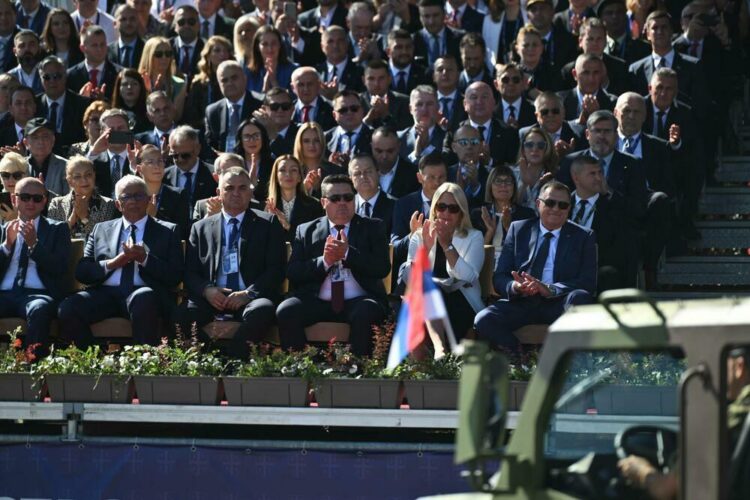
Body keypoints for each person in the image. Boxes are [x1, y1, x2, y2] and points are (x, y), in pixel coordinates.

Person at [57, 175, 184, 348]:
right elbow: (83, 272)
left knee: (143, 298)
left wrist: (144, 258)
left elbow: (175, 275)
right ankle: (91, 358)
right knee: (68, 307)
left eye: (138, 195)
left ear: (148, 199)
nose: (133, 201)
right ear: (118, 204)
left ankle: (143, 359)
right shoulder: (101, 229)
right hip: (105, 294)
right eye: (126, 197)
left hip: (144, 293)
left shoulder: (168, 231)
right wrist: (113, 263)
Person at [276, 174, 391, 356]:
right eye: (335, 198)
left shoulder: (372, 227)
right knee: (287, 310)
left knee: (367, 311)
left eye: (348, 197)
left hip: (359, 299)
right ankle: (299, 366)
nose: (342, 203)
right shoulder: (306, 230)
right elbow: (293, 271)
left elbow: (382, 267)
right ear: (323, 202)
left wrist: (348, 253)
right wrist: (325, 262)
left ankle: (357, 367)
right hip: (317, 299)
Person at [474, 180, 597, 349]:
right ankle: (520, 358)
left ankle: (562, 360)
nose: (556, 209)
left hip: (559, 302)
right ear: (538, 204)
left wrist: (550, 289)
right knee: (484, 319)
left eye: (562, 205)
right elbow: (500, 276)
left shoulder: (583, 236)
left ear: (569, 209)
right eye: (550, 203)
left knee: (580, 298)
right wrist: (516, 286)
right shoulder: (519, 229)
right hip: (522, 301)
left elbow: (588, 282)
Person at [181, 167, 286, 358]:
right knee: (181, 314)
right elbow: (190, 272)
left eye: (242, 188)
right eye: (229, 188)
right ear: (218, 192)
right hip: (213, 297)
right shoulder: (200, 227)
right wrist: (207, 290)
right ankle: (212, 358)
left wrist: (248, 294)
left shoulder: (268, 223)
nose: (236, 193)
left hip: (250, 298)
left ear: (251, 192)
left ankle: (233, 360)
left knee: (263, 310)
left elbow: (276, 270)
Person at [406, 182, 484, 354]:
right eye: (441, 207)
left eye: (453, 209)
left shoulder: (474, 236)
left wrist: (447, 245)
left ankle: (439, 351)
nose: (446, 213)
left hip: (462, 301)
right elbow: (409, 277)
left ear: (461, 212)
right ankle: (439, 348)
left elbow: (469, 277)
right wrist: (426, 249)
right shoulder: (420, 236)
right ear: (434, 209)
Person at [0, 177, 70, 355]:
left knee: (39, 308)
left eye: (37, 198)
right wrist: (6, 246)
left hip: (38, 294)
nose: (30, 203)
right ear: (14, 199)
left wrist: (34, 246)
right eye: (25, 197)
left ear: (44, 201)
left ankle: (33, 364)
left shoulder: (58, 229)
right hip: (4, 293)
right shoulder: (2, 230)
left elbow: (60, 268)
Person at [569, 154, 631, 290]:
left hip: (597, 267)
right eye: (592, 174)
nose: (599, 178)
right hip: (564, 265)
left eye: (600, 173)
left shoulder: (613, 206)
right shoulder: (562, 203)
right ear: (576, 178)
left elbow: (620, 250)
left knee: (608, 274)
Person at [443, 82, 519, 168]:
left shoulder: (509, 133)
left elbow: (512, 167)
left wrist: (490, 162)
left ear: (494, 102)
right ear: (465, 104)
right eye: (474, 97)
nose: (479, 102)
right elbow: (446, 163)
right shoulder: (454, 131)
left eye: (484, 97)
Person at [470, 164, 535, 262]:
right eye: (498, 181)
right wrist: (490, 232)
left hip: (512, 266)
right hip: (483, 264)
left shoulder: (526, 215)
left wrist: (509, 228)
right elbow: (473, 255)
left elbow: (526, 253)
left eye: (508, 181)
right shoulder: (479, 214)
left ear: (514, 186)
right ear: (490, 186)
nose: (503, 185)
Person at [47, 155, 118, 239]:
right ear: (69, 180)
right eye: (77, 176)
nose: (84, 180)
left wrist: (84, 218)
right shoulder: (57, 204)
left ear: (94, 176)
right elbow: (51, 237)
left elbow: (104, 238)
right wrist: (71, 221)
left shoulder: (108, 204)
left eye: (88, 175)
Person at [204, 59, 261, 158]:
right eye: (224, 80)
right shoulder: (212, 111)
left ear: (244, 79)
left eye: (234, 78)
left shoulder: (260, 104)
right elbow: (210, 146)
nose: (229, 83)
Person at [559, 17, 629, 95]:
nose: (595, 43)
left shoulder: (620, 68)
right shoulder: (568, 71)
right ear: (580, 41)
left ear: (605, 41)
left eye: (599, 39)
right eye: (590, 39)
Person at [35, 55, 90, 151]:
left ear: (65, 76)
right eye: (47, 77)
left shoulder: (82, 105)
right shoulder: (34, 104)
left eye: (57, 76)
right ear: (40, 78)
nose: (52, 81)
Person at [133, 144, 189, 237]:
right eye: (150, 162)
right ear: (139, 169)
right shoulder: (132, 195)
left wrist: (154, 216)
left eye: (160, 161)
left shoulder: (178, 195)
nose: (157, 166)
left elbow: (182, 232)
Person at [265, 154, 323, 241]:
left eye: (293, 170)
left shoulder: (314, 205)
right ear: (276, 177)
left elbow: (314, 239)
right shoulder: (266, 207)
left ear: (299, 177)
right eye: (282, 170)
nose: (288, 174)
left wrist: (287, 226)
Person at [182, 34, 231, 129]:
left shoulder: (235, 79)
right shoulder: (199, 83)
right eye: (217, 50)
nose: (222, 54)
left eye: (226, 51)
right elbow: (191, 115)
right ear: (208, 55)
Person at [163, 124, 217, 211]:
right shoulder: (163, 177)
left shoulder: (214, 175)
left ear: (197, 149)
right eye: (175, 156)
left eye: (185, 155)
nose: (180, 160)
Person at [87, 108, 135, 198]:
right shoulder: (94, 158)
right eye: (111, 129)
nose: (116, 132)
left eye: (120, 128)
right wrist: (93, 153)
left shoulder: (139, 156)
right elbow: (80, 177)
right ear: (102, 133)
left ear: (128, 130)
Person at [66, 25, 122, 101]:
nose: (99, 49)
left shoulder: (119, 74)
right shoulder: (70, 76)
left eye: (102, 44)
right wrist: (80, 99)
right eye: (94, 45)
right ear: (83, 48)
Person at [138, 36, 187, 121]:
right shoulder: (137, 81)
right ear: (148, 56)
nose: (164, 58)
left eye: (168, 54)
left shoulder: (179, 83)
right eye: (158, 54)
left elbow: (176, 116)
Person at [557, 53, 617, 123]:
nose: (591, 79)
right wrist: (578, 122)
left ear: (602, 74)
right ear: (575, 74)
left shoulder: (613, 103)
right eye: (585, 73)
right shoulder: (559, 101)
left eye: (596, 73)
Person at [191, 152, 249, 221]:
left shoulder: (256, 206)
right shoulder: (203, 206)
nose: (232, 176)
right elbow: (195, 228)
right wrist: (210, 216)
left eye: (236, 171)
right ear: (216, 177)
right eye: (226, 173)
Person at [293, 121, 344, 198]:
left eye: (316, 140)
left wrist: (317, 188)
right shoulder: (291, 171)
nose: (311, 145)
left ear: (322, 142)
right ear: (299, 144)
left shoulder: (336, 172)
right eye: (306, 141)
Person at [513, 126, 558, 210]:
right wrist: (524, 185)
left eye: (541, 145)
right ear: (523, 149)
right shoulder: (511, 174)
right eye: (529, 145)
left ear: (547, 149)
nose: (535, 149)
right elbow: (508, 206)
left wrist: (545, 189)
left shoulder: (554, 176)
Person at [511, 25, 562, 97]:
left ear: (542, 48)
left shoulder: (553, 72)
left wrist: (530, 90)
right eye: (526, 45)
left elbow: (556, 100)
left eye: (535, 45)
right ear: (517, 49)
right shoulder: (510, 72)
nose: (530, 49)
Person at [244, 25, 297, 94]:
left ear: (280, 45)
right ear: (257, 47)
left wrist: (274, 81)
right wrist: (264, 87)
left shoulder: (293, 70)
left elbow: (294, 98)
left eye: (274, 43)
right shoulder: (248, 73)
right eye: (265, 44)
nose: (270, 48)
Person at [350, 153, 395, 234]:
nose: (363, 177)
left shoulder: (395, 205)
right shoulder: (347, 205)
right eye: (357, 173)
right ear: (351, 179)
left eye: (368, 171)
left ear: (378, 173)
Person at [232, 117, 274, 204]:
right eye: (247, 137)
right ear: (240, 140)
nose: (252, 140)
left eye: (256, 136)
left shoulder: (273, 164)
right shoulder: (233, 164)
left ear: (263, 138)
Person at [398, 85, 444, 162]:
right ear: (410, 109)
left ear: (438, 107)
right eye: (419, 104)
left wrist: (427, 148)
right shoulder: (399, 138)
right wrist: (416, 154)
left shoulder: (447, 138)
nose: (424, 109)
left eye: (429, 104)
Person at [525, 0, 577, 69]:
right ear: (527, 16)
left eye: (543, 8)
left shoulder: (568, 42)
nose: (538, 13)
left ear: (552, 12)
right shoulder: (521, 42)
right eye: (533, 9)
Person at [371, 126, 419, 199]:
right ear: (371, 147)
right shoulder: (363, 172)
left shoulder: (414, 175)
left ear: (399, 146)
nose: (384, 156)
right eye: (379, 151)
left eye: (390, 151)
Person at [598, 0, 651, 66]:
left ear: (626, 16)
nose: (615, 16)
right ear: (601, 19)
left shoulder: (643, 48)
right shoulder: (596, 48)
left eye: (619, 12)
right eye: (609, 13)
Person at [317, 25, 364, 99]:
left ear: (347, 43)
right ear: (322, 46)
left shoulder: (360, 72)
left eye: (340, 41)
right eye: (330, 41)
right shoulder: (316, 73)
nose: (335, 45)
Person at [325, 89, 373, 161]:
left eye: (354, 109)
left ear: (362, 111)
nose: (349, 113)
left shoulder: (374, 137)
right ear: (334, 115)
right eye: (343, 110)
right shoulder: (324, 139)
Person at [413, 0, 463, 69]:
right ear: (420, 17)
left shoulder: (460, 39)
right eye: (426, 16)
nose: (431, 22)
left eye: (435, 15)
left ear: (444, 14)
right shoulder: (413, 41)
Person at [23, 117, 66, 196]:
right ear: (25, 143)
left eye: (45, 136)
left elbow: (71, 199)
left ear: (53, 140)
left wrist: (46, 193)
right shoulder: (19, 166)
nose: (41, 141)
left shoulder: (66, 167)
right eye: (35, 137)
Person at [482, 0, 527, 68]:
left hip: (525, 71)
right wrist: (498, 67)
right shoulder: (489, 20)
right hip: (498, 71)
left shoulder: (530, 16)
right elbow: (487, 53)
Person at [290, 66, 335, 131]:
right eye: (301, 85)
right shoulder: (286, 110)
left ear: (319, 85)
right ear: (292, 87)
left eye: (310, 84)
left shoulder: (331, 109)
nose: (306, 89)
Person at [494, 62, 536, 129]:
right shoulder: (490, 112)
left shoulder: (535, 110)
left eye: (516, 80)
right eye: (505, 80)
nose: (511, 83)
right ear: (496, 84)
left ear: (523, 83)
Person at [432, 55, 467, 132]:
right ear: (433, 76)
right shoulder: (426, 103)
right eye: (440, 70)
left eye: (450, 70)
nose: (445, 73)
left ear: (458, 75)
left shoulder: (467, 102)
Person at [169, 5, 203, 86]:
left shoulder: (206, 48)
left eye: (191, 22)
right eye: (181, 22)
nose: (186, 25)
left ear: (199, 25)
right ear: (175, 26)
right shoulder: (166, 46)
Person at [110, 68, 149, 133]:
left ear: (141, 87)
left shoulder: (149, 114)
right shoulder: (111, 115)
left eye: (134, 84)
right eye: (125, 84)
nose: (129, 87)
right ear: (118, 88)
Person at [265, 87, 298, 158]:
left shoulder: (301, 132)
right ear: (265, 109)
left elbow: (292, 157)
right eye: (274, 106)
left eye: (285, 106)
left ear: (292, 109)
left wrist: (274, 136)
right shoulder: (258, 133)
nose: (280, 110)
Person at [108, 4, 144, 70]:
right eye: (123, 19)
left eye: (132, 19)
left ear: (138, 22)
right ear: (115, 24)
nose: (128, 23)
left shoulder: (145, 49)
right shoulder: (106, 51)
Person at [8, 29, 44, 95]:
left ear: (39, 49)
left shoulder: (48, 74)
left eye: (31, 45)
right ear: (15, 51)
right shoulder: (9, 78)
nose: (27, 49)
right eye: (22, 46)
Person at [0, 153, 28, 222]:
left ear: (25, 176)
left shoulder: (33, 200)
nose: (11, 180)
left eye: (17, 175)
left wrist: (17, 219)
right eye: (5, 175)